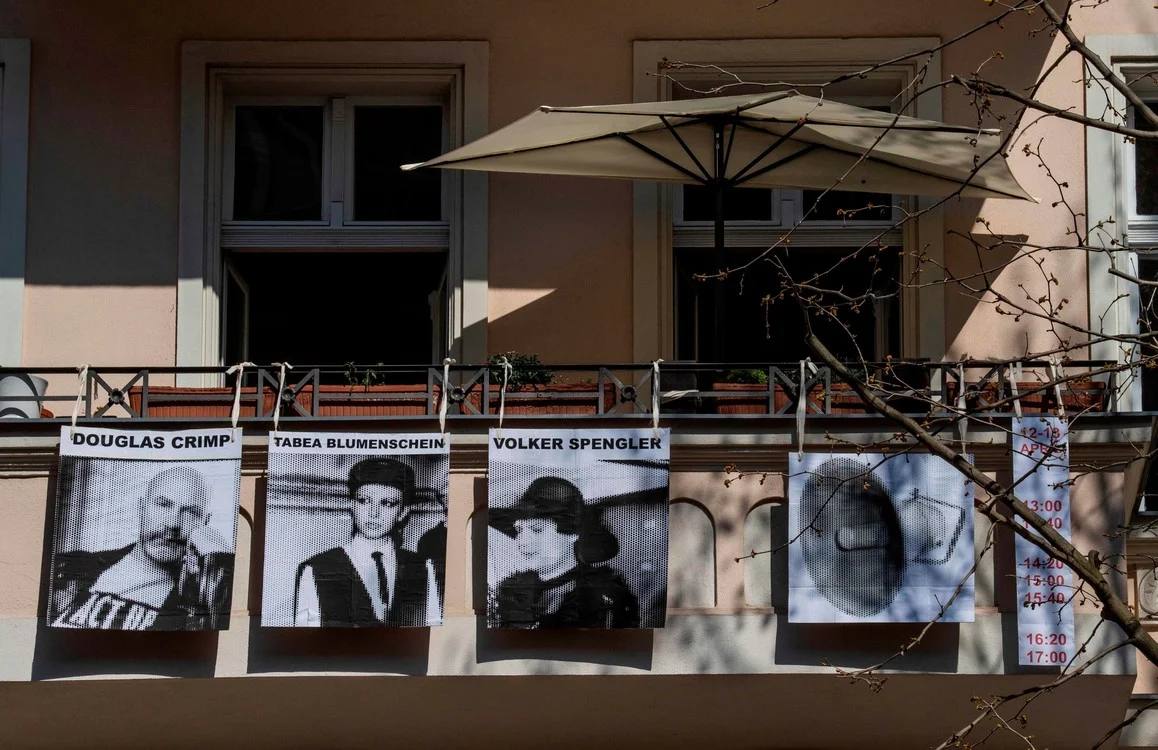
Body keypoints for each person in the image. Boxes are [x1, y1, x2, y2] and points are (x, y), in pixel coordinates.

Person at [49, 465, 233, 631]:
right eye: (163, 504)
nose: (173, 523)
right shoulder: (70, 568)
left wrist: (219, 563)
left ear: (205, 523)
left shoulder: (202, 601)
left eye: (190, 512)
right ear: (142, 507)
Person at [294, 457, 440, 627]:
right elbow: (305, 634)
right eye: (364, 501)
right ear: (352, 505)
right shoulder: (316, 568)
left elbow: (433, 628)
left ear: (403, 512)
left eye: (387, 503)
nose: (373, 513)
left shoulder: (422, 567)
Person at [489, 476, 639, 629]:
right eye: (519, 530)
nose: (522, 541)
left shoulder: (601, 597)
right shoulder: (509, 595)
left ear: (572, 534)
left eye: (537, 529)